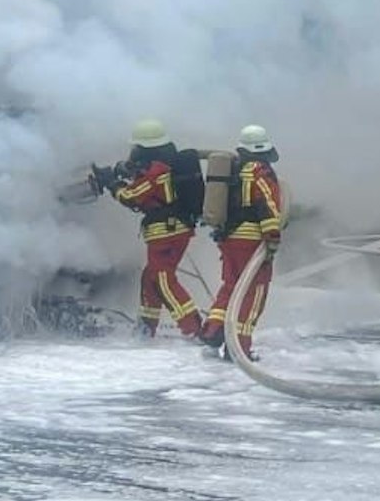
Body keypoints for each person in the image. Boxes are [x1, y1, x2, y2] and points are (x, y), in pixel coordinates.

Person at [102, 119, 204, 339]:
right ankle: (146, 328)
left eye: (137, 147)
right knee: (150, 277)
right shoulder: (163, 165)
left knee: (162, 280)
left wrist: (112, 183)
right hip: (171, 230)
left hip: (167, 232)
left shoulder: (158, 170)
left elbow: (131, 197)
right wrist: (124, 172)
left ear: (145, 147)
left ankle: (193, 329)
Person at [201, 124, 285, 360]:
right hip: (252, 241)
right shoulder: (259, 171)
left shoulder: (235, 170)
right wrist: (272, 239)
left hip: (229, 238)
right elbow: (267, 205)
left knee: (231, 286)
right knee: (254, 292)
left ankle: (213, 330)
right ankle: (239, 349)